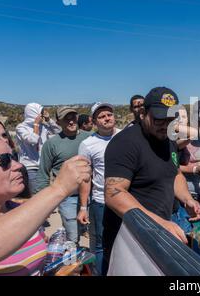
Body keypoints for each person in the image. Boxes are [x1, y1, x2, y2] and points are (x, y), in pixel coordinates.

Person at [103, 87, 200, 275]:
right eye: (158, 119)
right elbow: (114, 194)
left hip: (159, 232)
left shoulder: (168, 140)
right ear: (143, 113)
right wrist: (159, 223)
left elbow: (174, 174)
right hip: (128, 239)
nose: (165, 124)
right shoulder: (125, 142)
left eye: (170, 119)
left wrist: (187, 199)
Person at [0, 139, 91, 271]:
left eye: (14, 157)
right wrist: (59, 188)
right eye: (5, 160)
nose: (18, 165)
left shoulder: (22, 210)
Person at [36, 107, 91, 244]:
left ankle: (90, 265)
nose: (71, 121)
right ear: (58, 122)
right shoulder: (51, 144)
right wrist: (43, 204)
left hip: (92, 196)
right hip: (68, 199)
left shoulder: (89, 138)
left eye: (73, 117)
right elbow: (43, 173)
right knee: (72, 238)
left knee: (94, 236)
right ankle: (72, 264)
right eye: (66, 119)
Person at [76, 102, 120, 276]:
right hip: (101, 202)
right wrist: (83, 207)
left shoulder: (126, 137)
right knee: (101, 245)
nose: (107, 118)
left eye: (109, 114)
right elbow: (85, 179)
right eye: (101, 117)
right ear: (94, 122)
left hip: (126, 200)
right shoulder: (88, 145)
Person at [15, 103, 61, 194]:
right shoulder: (21, 127)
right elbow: (33, 140)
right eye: (40, 112)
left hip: (43, 166)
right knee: (35, 197)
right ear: (33, 113)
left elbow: (59, 132)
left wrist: (48, 120)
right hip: (30, 167)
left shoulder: (42, 126)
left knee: (44, 196)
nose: (41, 115)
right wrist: (36, 124)